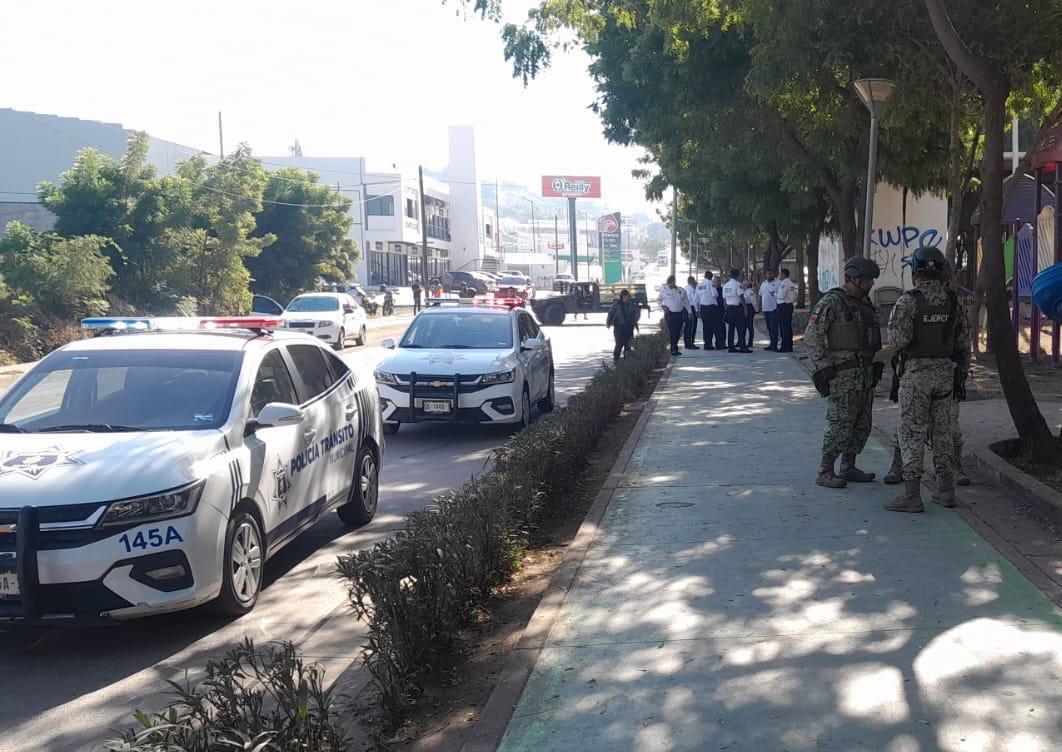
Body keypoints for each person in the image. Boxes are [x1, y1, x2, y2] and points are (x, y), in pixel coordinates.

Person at [884, 246, 970, 513]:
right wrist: (960, 377)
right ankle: (946, 492)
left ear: (915, 272)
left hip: (915, 377)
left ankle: (912, 495)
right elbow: (964, 344)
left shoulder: (907, 302)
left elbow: (897, 341)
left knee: (911, 432)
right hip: (946, 375)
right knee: (943, 433)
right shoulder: (955, 302)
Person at [804, 257, 883, 488]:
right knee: (840, 424)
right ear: (853, 279)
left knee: (862, 424)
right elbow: (812, 336)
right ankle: (825, 470)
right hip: (843, 376)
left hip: (865, 376)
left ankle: (848, 466)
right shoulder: (832, 302)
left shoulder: (865, 304)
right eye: (867, 280)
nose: (870, 284)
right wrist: (825, 367)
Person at [658, 275, 689, 357]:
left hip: (679, 314)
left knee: (677, 332)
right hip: (670, 314)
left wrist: (689, 312)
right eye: (668, 284)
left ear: (674, 282)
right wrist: (663, 307)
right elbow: (659, 300)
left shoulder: (681, 290)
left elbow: (686, 302)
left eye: (670, 283)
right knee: (672, 332)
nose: (669, 285)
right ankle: (674, 349)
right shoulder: (664, 290)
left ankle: (674, 347)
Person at [606, 288, 641, 361]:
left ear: (629, 297)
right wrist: (608, 323)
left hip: (628, 327)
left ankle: (626, 360)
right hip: (619, 327)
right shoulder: (616, 304)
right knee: (619, 343)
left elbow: (635, 316)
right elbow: (611, 314)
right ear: (621, 297)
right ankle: (616, 359)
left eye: (626, 296)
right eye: (623, 296)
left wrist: (636, 326)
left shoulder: (631, 305)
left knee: (628, 345)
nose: (625, 298)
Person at [722, 269, 750, 354]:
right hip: (737, 308)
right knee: (741, 328)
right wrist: (745, 308)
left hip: (729, 308)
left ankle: (731, 347)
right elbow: (741, 297)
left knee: (731, 328)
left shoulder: (725, 285)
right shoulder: (738, 284)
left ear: (730, 275)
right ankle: (742, 347)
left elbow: (724, 298)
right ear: (738, 275)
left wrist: (726, 308)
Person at [695, 271, 723, 350]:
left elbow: (695, 299)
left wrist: (697, 310)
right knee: (716, 326)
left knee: (706, 327)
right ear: (711, 277)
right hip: (712, 308)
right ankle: (719, 344)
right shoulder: (711, 283)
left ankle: (707, 344)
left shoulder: (699, 285)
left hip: (703, 308)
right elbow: (715, 294)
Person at [776, 268, 797, 352]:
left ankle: (784, 346)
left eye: (780, 274)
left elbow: (781, 296)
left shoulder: (784, 284)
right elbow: (794, 295)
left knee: (784, 326)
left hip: (783, 306)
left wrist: (774, 294)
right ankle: (789, 344)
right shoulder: (791, 283)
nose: (779, 276)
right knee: (788, 326)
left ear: (784, 275)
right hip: (789, 305)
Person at [759, 269, 780, 351]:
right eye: (768, 274)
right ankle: (771, 344)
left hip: (774, 309)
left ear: (774, 274)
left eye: (770, 274)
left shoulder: (778, 283)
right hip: (765, 309)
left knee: (773, 327)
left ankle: (775, 344)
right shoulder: (763, 284)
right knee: (769, 327)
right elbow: (760, 295)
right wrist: (759, 306)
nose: (769, 275)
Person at [683, 276, 700, 350]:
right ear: (692, 281)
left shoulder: (685, 288)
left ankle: (687, 343)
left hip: (685, 309)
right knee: (692, 327)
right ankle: (690, 343)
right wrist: (696, 310)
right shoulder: (692, 289)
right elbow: (694, 301)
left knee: (687, 327)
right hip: (691, 308)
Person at [742, 281, 758, 349]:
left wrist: (756, 310)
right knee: (744, 325)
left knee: (749, 325)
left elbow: (753, 301)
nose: (742, 285)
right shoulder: (745, 291)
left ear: (746, 285)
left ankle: (750, 342)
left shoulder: (750, 292)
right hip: (745, 307)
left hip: (749, 308)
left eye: (743, 284)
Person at [713, 275, 727, 349]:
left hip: (722, 310)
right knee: (716, 328)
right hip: (714, 311)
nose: (718, 282)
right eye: (717, 281)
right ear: (713, 282)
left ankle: (723, 343)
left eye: (719, 281)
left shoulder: (723, 289)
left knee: (722, 327)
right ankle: (718, 343)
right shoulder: (712, 289)